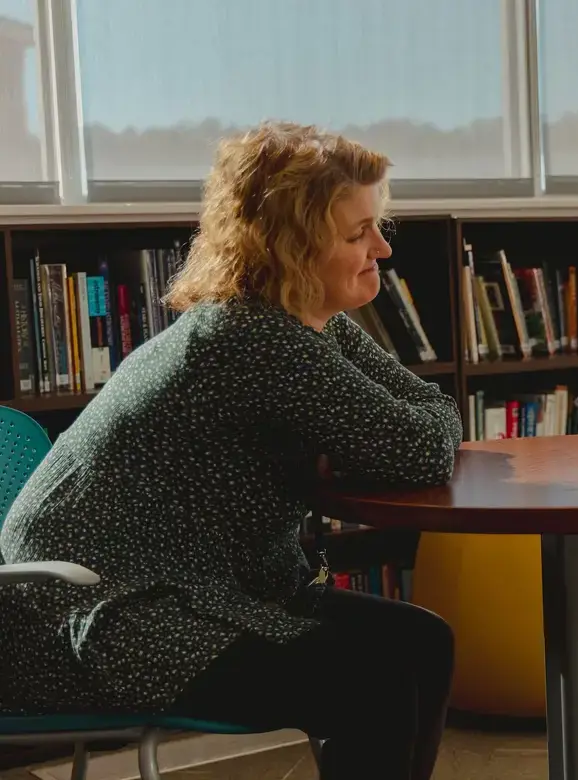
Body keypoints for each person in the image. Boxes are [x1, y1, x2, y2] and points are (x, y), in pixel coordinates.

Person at [0, 122, 463, 780]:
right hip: (99, 615)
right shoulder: (248, 337)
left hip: (200, 592)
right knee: (374, 679)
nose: (382, 248)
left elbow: (435, 417)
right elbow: (420, 449)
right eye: (358, 232)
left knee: (422, 641)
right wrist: (386, 439)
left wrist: (396, 436)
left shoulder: (310, 326)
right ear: (293, 245)